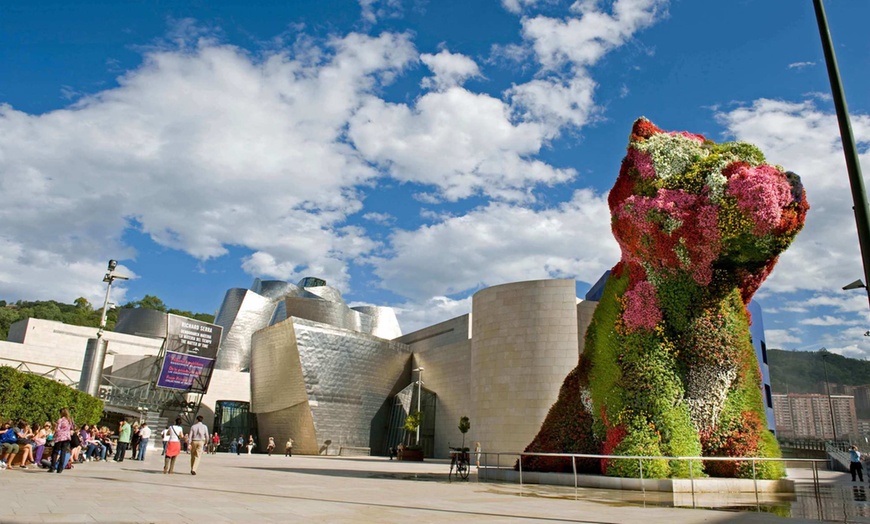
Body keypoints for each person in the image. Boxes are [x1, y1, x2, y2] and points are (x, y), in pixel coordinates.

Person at [48, 408, 73, 474]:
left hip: (60, 437)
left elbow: (57, 429)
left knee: (55, 452)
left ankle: (52, 467)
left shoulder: (60, 420)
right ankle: (60, 468)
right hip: (67, 437)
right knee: (63, 452)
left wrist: (54, 427)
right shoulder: (69, 420)